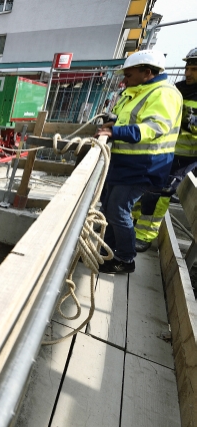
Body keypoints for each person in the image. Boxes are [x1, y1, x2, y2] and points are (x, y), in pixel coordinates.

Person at [96, 49, 183, 274]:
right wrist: (111, 122)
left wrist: (116, 132)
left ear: (147, 72)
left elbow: (155, 127)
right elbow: (122, 116)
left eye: (129, 75)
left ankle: (125, 259)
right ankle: (108, 250)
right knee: (109, 207)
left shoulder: (164, 93)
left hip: (144, 165)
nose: (125, 81)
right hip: (125, 163)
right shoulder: (137, 90)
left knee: (118, 210)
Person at [132, 48, 197, 252]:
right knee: (142, 187)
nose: (187, 73)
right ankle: (131, 223)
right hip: (161, 153)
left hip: (183, 159)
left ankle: (144, 235)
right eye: (187, 68)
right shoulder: (177, 90)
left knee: (159, 195)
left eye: (194, 69)